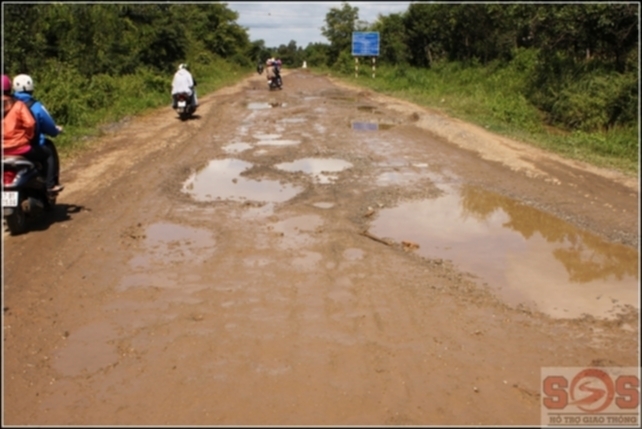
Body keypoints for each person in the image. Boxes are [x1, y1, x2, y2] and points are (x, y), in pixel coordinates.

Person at [2, 75, 60, 194]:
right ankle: (50, 185)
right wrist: (28, 137)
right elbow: (30, 123)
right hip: (20, 148)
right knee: (48, 153)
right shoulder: (20, 105)